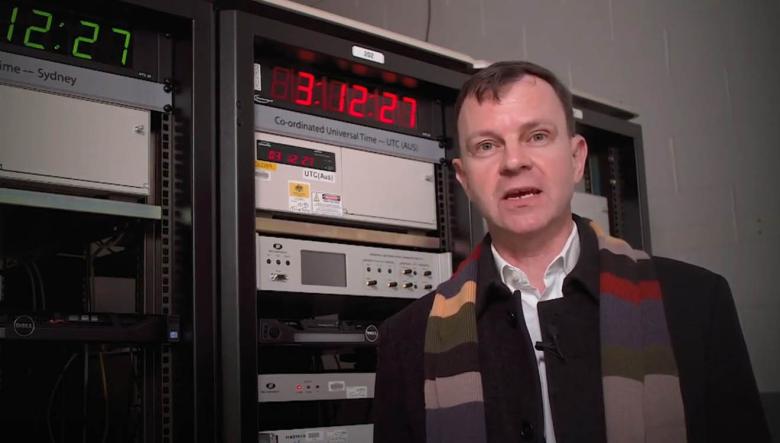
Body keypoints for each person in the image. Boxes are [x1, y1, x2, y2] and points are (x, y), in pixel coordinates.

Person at [373, 61, 770, 443]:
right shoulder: (407, 340)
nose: (514, 162)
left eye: (537, 136)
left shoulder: (698, 303)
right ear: (463, 179)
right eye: (488, 145)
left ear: (577, 158)